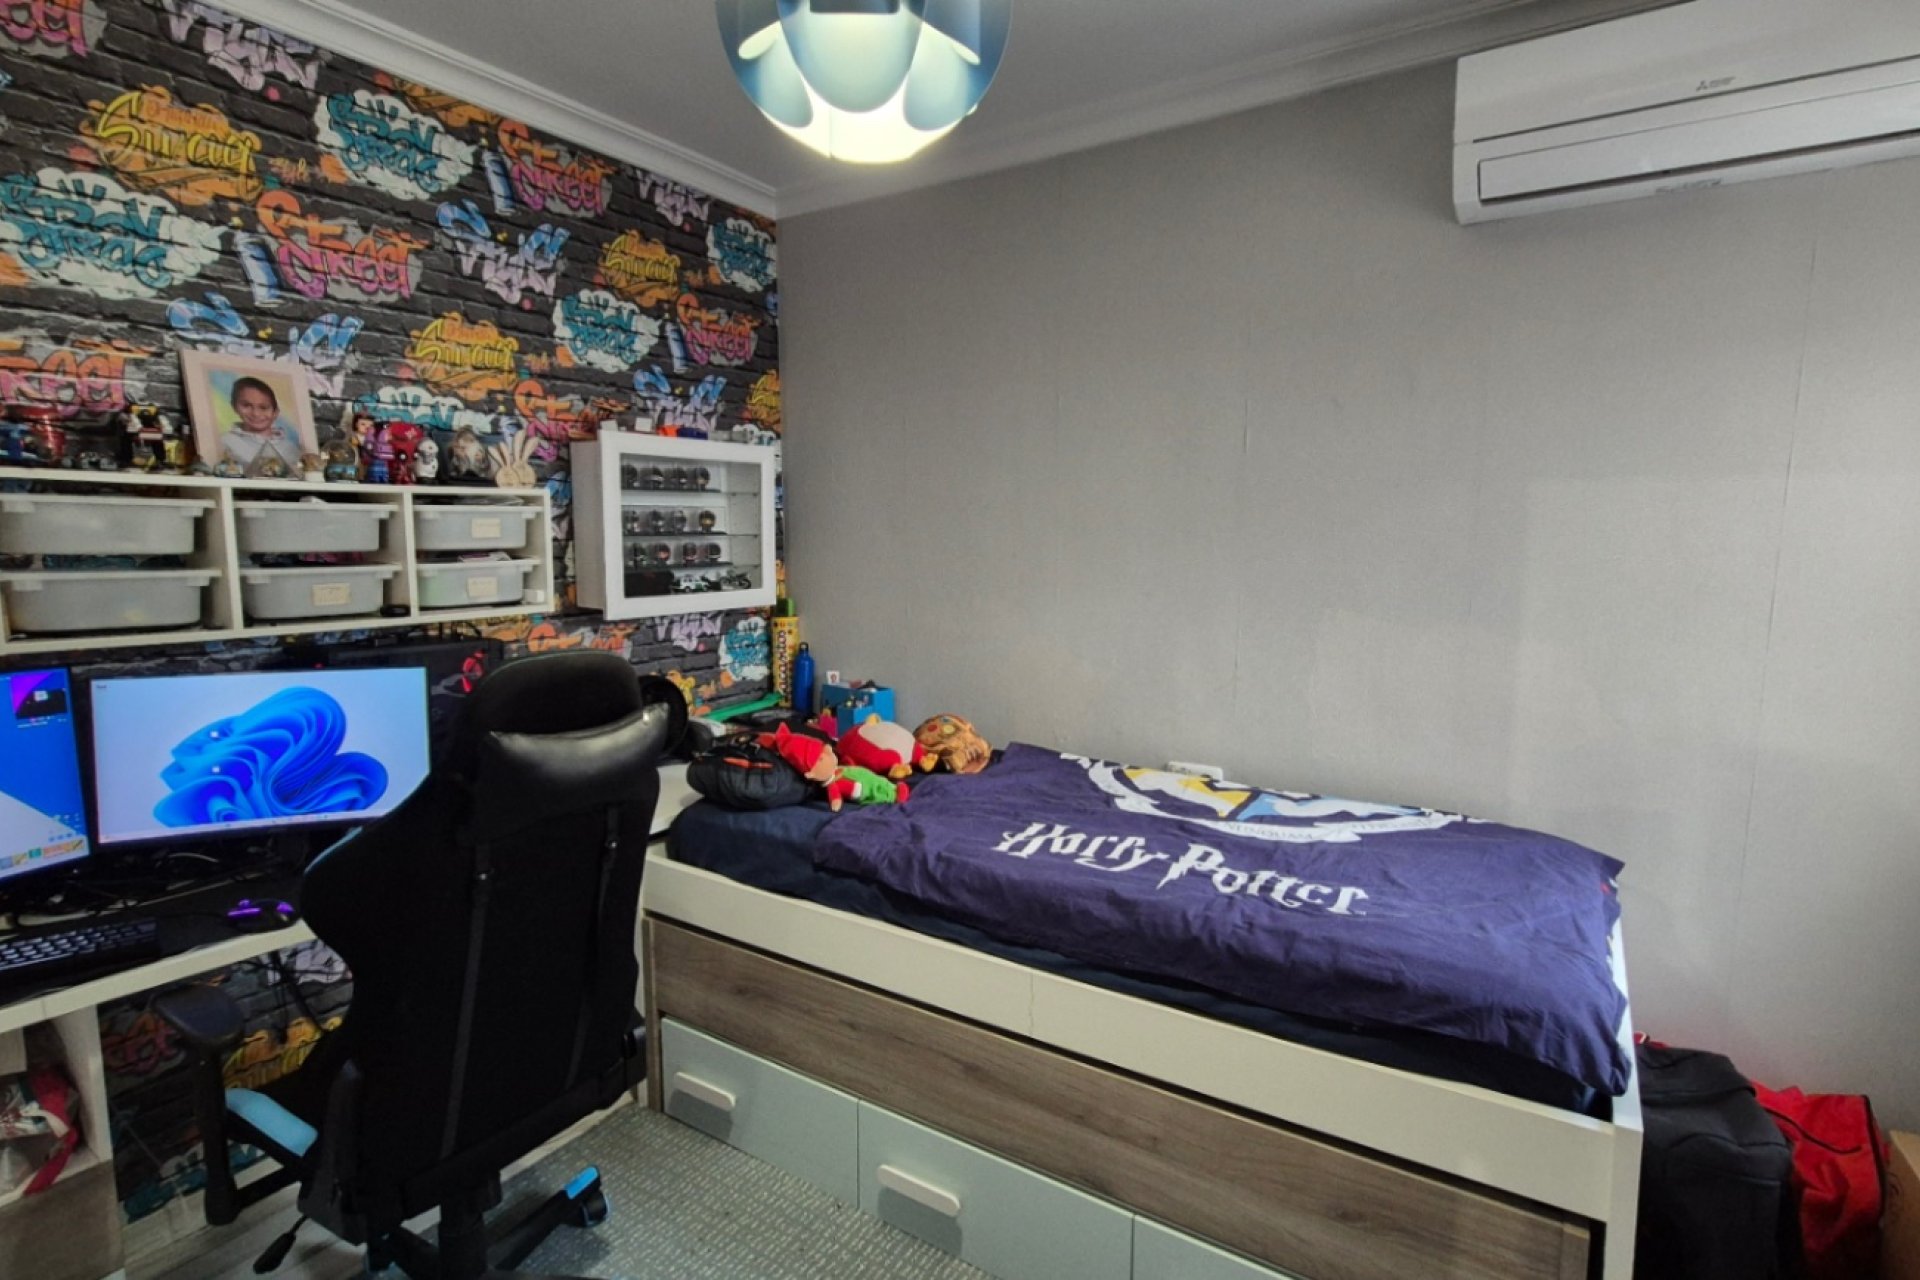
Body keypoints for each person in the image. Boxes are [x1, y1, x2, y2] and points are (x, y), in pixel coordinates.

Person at [219, 377, 304, 471]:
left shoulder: (292, 448)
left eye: (264, 407)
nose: (256, 413)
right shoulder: (225, 442)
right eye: (246, 405)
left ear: (275, 412)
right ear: (234, 406)